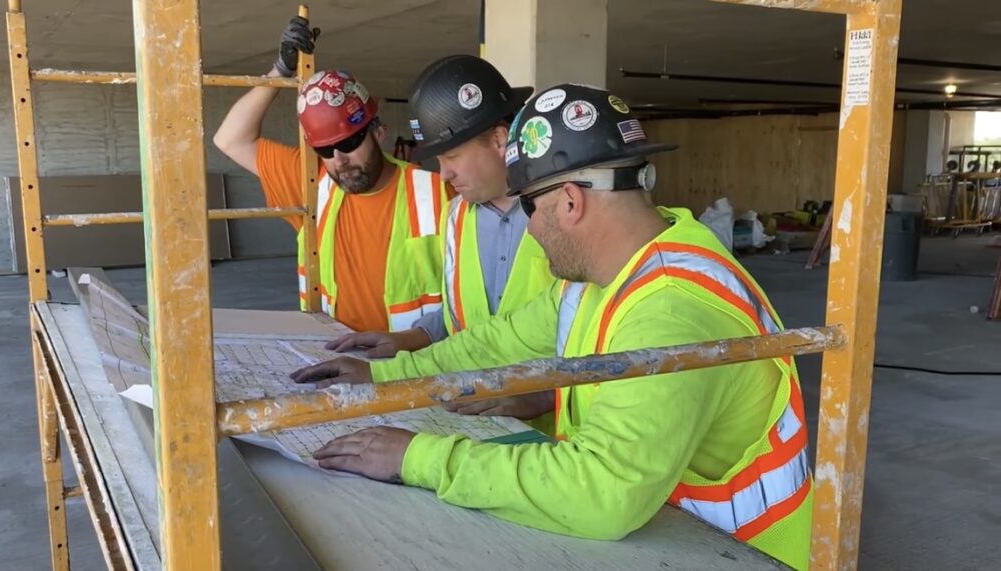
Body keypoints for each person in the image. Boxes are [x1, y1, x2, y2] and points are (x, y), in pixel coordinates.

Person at [293, 84, 813, 570]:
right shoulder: (607, 275)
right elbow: (503, 340)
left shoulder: (670, 311)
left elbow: (602, 492)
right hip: (667, 535)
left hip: (736, 550)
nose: (528, 228)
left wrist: (418, 457)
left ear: (570, 201)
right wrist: (385, 376)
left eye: (527, 207)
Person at [323, 55, 556, 425]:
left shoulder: (563, 214)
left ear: (498, 140)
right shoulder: (458, 216)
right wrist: (404, 340)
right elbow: (460, 320)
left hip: (554, 439)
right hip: (472, 422)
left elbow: (602, 337)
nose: (443, 173)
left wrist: (549, 397)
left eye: (451, 155)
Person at [213, 16, 452, 331]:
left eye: (350, 142)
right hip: (337, 359)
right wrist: (280, 72)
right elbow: (230, 139)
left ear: (378, 133)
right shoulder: (313, 185)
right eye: (325, 150)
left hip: (416, 365)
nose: (339, 158)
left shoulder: (438, 191)